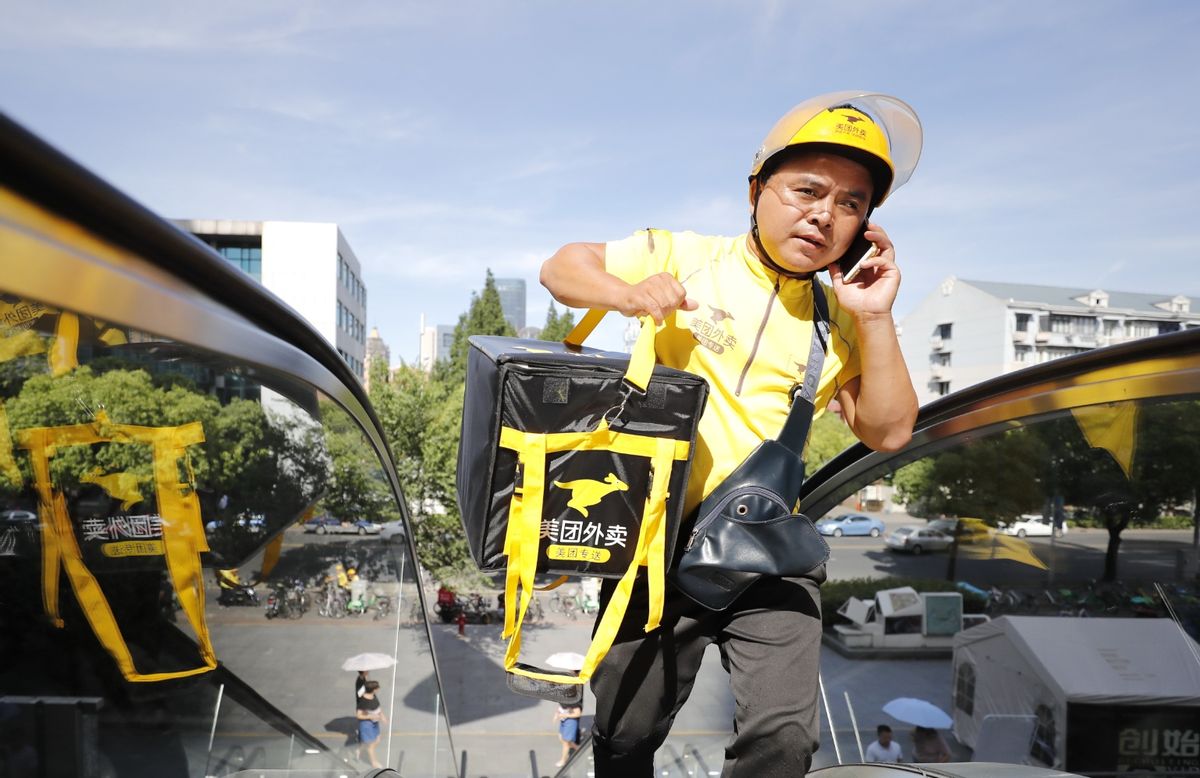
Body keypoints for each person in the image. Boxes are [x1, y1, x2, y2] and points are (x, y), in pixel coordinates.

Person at [540, 91, 922, 777]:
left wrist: (872, 313)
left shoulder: (839, 319)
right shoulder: (686, 255)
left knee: (784, 743)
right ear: (756, 190)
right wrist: (627, 293)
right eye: (807, 190)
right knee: (625, 733)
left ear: (865, 225)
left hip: (769, 551)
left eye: (850, 203)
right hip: (655, 549)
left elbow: (890, 430)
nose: (824, 214)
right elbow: (562, 267)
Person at [355, 680, 387, 768]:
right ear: (374, 689)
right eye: (377, 687)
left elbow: (378, 707)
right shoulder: (363, 702)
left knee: (377, 739)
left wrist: (382, 716)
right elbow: (359, 715)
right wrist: (370, 716)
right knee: (371, 745)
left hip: (375, 723)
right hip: (367, 725)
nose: (379, 688)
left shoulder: (373, 696)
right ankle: (374, 763)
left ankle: (359, 750)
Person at [554, 701, 583, 768]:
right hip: (563, 721)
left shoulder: (573, 702)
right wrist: (556, 714)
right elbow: (560, 707)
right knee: (561, 737)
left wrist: (565, 715)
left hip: (570, 722)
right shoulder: (562, 698)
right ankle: (578, 748)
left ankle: (563, 760)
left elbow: (578, 713)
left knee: (565, 742)